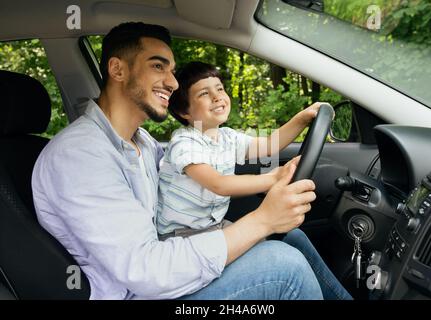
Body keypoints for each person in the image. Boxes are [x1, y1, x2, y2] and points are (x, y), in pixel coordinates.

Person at [32, 22, 351, 300]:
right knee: (285, 266)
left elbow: (257, 148)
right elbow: (147, 272)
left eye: (171, 70)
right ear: (118, 70)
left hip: (165, 271)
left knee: (291, 236)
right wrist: (263, 220)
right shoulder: (80, 156)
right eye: (158, 67)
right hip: (138, 292)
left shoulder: (140, 142)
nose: (172, 82)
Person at [156, 61, 320, 240]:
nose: (216, 97)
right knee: (283, 252)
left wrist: (303, 119)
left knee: (295, 237)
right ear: (184, 111)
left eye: (219, 89)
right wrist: (273, 178)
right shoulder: (184, 143)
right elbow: (220, 184)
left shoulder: (227, 137)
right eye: (204, 93)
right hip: (181, 237)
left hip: (213, 227)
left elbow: (269, 144)